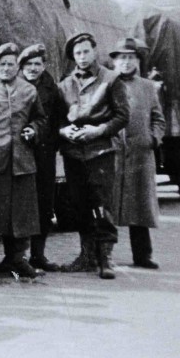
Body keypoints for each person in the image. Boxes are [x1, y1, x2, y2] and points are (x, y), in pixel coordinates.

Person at [0, 43, 47, 280]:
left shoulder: (29, 90)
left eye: (11, 64)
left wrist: (33, 130)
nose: (6, 68)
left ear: (18, 67)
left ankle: (15, 259)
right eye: (1, 64)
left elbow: (41, 119)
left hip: (22, 161)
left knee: (21, 214)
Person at [57, 33, 129, 280]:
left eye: (86, 51)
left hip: (100, 152)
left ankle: (105, 258)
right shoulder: (65, 85)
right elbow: (57, 117)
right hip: (74, 153)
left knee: (102, 204)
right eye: (77, 53)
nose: (82, 57)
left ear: (94, 51)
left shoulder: (111, 79)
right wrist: (63, 130)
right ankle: (86, 255)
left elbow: (122, 116)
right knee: (79, 204)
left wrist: (98, 130)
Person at [109, 38, 165, 269]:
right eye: (121, 57)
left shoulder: (148, 87)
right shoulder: (107, 83)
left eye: (130, 57)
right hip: (113, 152)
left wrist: (153, 138)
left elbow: (158, 118)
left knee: (140, 205)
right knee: (108, 206)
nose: (126, 62)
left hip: (141, 154)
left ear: (137, 61)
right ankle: (103, 256)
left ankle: (142, 255)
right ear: (114, 61)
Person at [18, 44, 62, 272]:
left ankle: (38, 254)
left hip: (44, 154)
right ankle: (19, 256)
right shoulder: (15, 86)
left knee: (44, 203)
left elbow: (58, 120)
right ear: (22, 66)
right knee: (23, 204)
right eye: (29, 64)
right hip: (20, 153)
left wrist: (51, 143)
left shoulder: (51, 89)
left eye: (37, 64)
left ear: (44, 66)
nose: (33, 68)